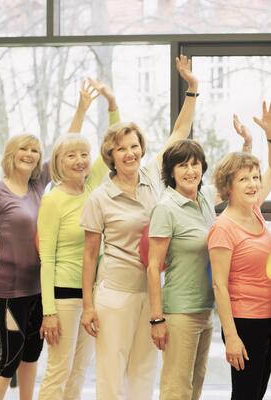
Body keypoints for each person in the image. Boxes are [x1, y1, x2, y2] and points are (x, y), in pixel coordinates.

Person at [80, 55, 197, 400]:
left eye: (134, 146)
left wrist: (192, 88)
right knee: (111, 372)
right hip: (115, 295)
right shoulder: (100, 198)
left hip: (151, 293)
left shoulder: (152, 178)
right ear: (111, 155)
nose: (130, 153)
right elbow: (89, 257)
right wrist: (88, 306)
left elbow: (179, 132)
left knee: (144, 372)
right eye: (121, 149)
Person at [0, 84, 90, 400]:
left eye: (35, 150)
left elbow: (66, 148)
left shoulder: (38, 186)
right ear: (12, 154)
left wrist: (81, 110)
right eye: (24, 149)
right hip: (11, 291)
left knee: (32, 355)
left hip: (40, 289)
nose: (31, 155)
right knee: (9, 359)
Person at [147, 118, 253, 398]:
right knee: (176, 387)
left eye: (195, 164)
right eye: (182, 165)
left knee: (195, 385)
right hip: (179, 311)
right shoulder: (166, 208)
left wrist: (247, 144)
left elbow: (234, 179)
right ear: (171, 171)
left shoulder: (204, 197)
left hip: (205, 308)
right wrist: (156, 319)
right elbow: (153, 266)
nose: (190, 170)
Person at [37, 79, 119, 400]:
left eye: (84, 154)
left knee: (79, 372)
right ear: (59, 161)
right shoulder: (53, 200)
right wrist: (49, 311)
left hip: (91, 297)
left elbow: (114, 146)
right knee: (58, 371)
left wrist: (111, 104)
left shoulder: (91, 188)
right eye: (72, 155)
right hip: (62, 298)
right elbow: (47, 259)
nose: (80, 160)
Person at [208, 103, 271, 400]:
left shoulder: (255, 211)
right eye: (244, 179)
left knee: (257, 393)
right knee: (245, 395)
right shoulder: (223, 227)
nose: (254, 184)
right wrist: (232, 337)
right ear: (228, 187)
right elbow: (219, 285)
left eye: (255, 177)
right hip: (244, 322)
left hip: (268, 317)